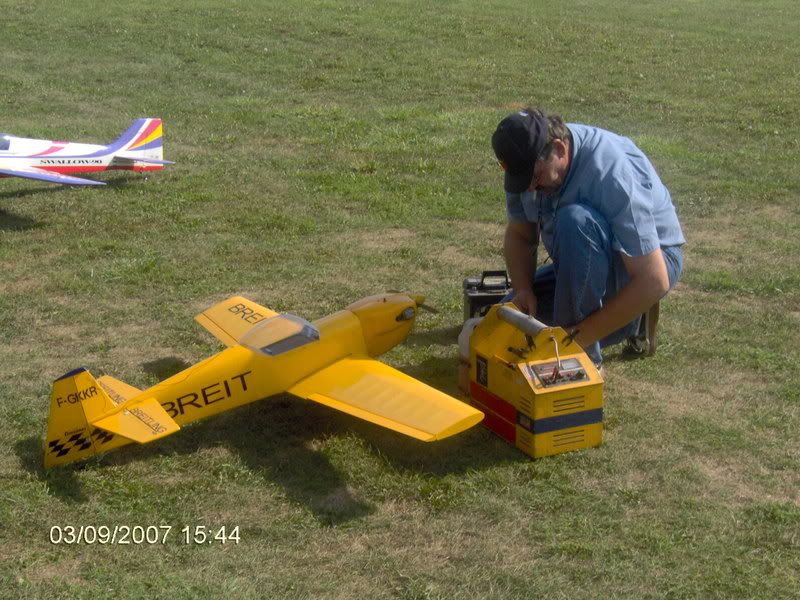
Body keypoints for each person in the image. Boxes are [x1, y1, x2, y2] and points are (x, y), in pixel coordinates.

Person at [491, 108, 685, 367]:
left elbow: (654, 280)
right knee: (503, 329)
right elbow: (521, 236)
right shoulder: (527, 166)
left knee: (575, 222)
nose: (529, 188)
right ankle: (630, 317)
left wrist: (573, 340)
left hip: (648, 263)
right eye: (521, 181)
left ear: (559, 149)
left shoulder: (612, 173)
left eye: (535, 178)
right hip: (584, 260)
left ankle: (583, 360)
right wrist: (523, 289)